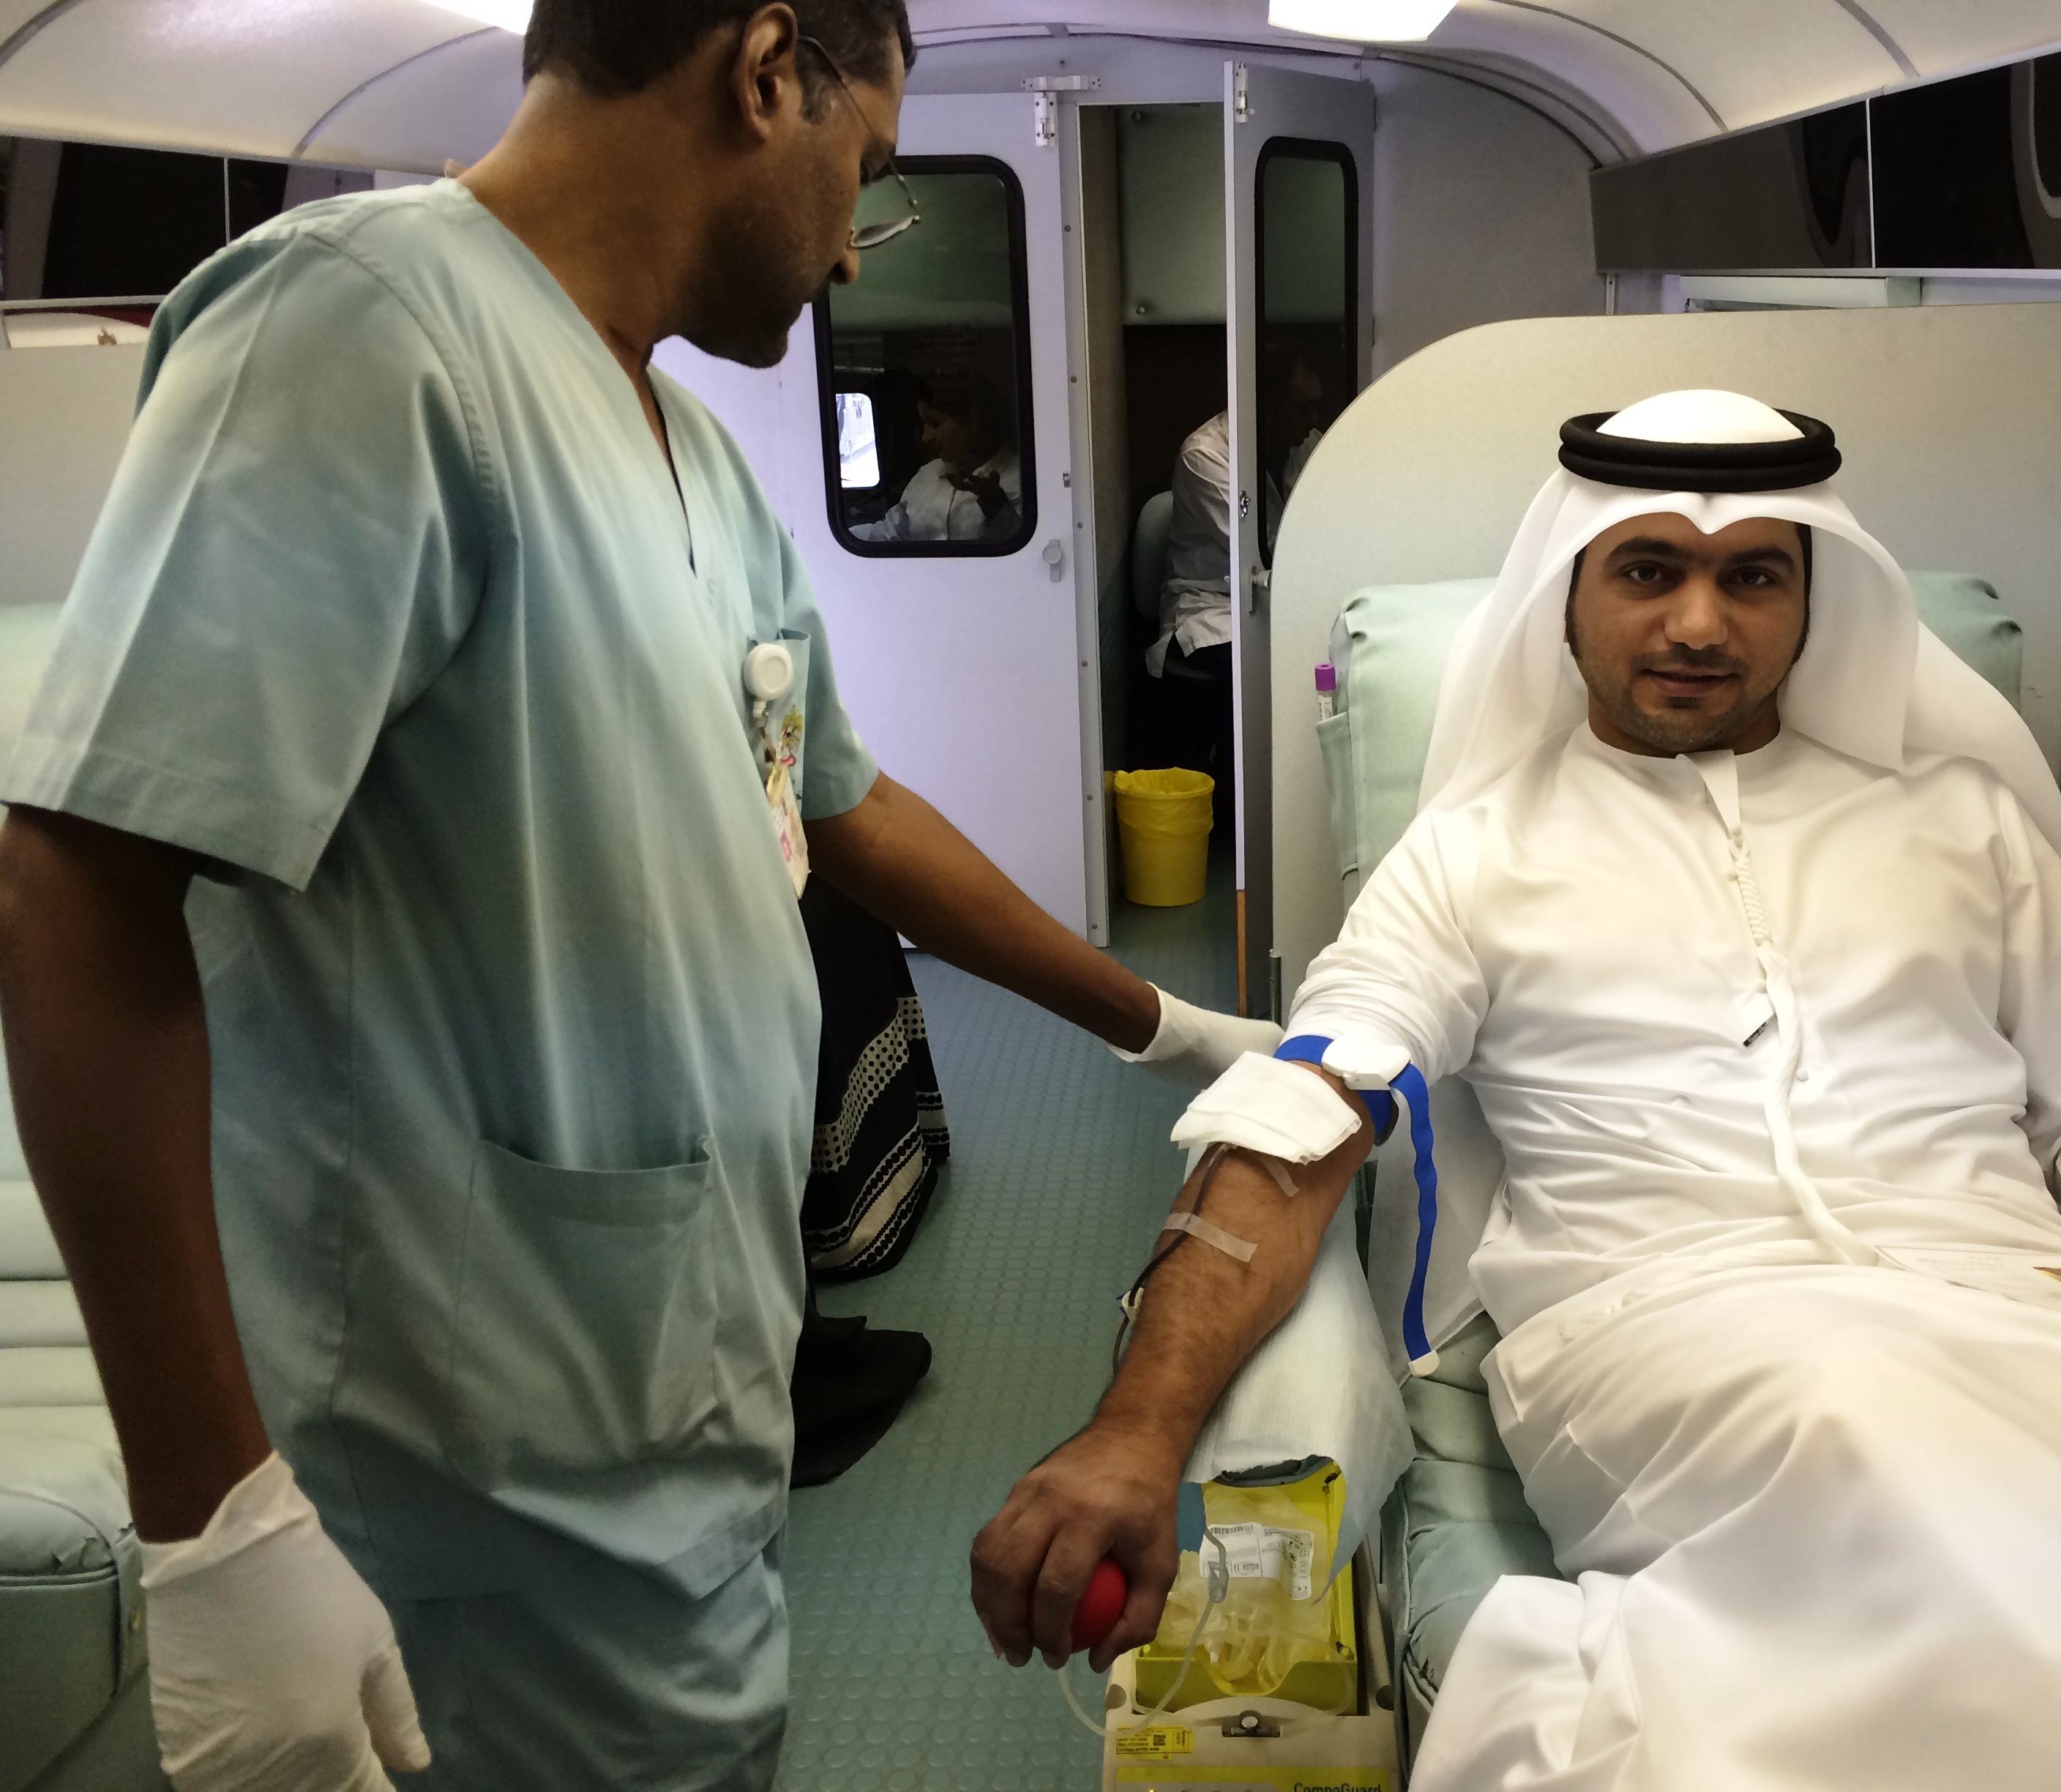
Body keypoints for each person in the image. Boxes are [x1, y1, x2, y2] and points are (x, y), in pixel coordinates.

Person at [0, 4, 1272, 1789]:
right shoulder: (362, 327)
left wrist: (1167, 1026)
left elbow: (838, 800)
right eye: (868, 172)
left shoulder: (686, 446)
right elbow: (80, 881)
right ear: (763, 72)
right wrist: (214, 1518)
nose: (855, 245)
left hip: (676, 1371)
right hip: (468, 1437)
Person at [971, 391, 2061, 1789]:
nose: (1700, 625)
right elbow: (1301, 1117)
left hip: (2036, 1303)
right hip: (1684, 1325)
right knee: (1908, 1459)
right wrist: (1136, 1429)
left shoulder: (1963, 820)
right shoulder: (1470, 855)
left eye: (1752, 577)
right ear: (1567, 593)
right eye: (1648, 571)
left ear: (1813, 601)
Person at [1145, 351, 1327, 807]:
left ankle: (1293, 799)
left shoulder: (1306, 445)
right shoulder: (1206, 455)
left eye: (1315, 407)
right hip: (1213, 607)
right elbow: (1261, 552)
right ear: (1264, 405)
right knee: (1265, 670)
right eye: (1302, 409)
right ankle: (1246, 806)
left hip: (1279, 598)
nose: (1313, 422)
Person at [850, 368, 1021, 543]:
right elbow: (892, 534)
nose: (926, 437)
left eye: (935, 423)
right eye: (923, 424)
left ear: (972, 421)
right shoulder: (929, 473)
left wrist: (995, 505)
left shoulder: (1019, 481)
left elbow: (1016, 545)